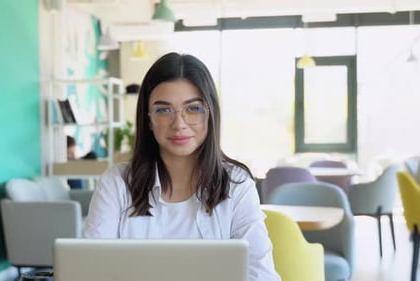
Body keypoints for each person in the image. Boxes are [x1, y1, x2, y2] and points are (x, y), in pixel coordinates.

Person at [83, 52, 280, 281]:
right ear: (148, 119)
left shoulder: (237, 185)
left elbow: (261, 275)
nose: (179, 124)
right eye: (163, 110)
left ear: (210, 113)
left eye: (193, 108)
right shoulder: (117, 182)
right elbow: (90, 271)